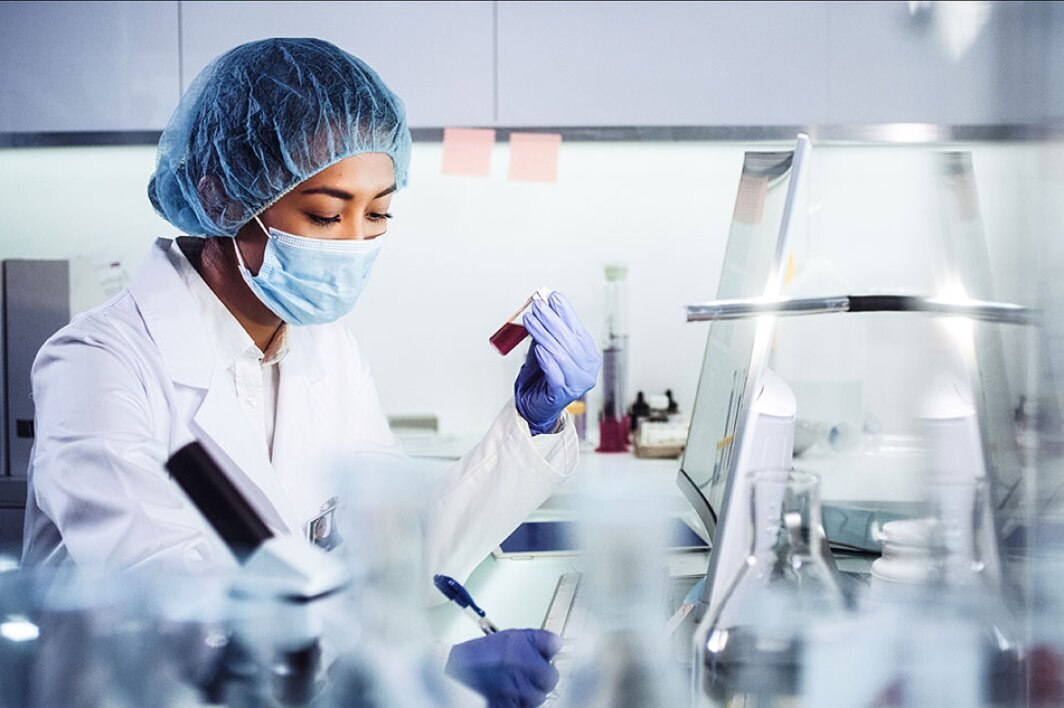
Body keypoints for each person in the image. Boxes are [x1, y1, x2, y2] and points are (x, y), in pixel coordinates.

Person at [21, 37, 599, 707]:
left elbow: (393, 561)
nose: (356, 244)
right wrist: (434, 667)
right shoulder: (98, 365)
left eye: (378, 213)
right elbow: (179, 611)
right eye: (326, 214)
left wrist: (534, 422)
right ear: (221, 195)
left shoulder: (327, 351)